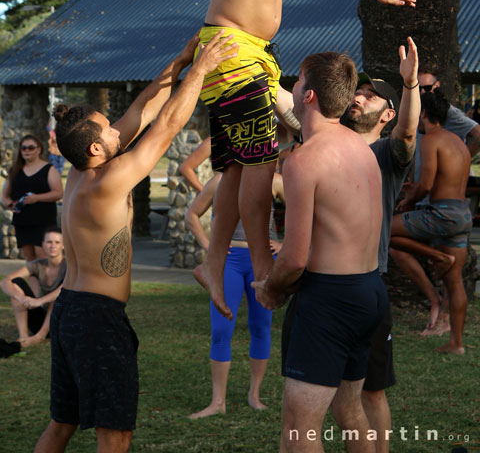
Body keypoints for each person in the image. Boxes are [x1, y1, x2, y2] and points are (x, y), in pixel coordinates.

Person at [194, 0, 416, 320]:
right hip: (230, 50)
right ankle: (266, 263)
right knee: (258, 160)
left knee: (231, 169)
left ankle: (213, 260)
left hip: (257, 54)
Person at [32, 31, 238, 453]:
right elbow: (165, 127)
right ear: (95, 146)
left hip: (71, 310)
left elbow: (141, 112)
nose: (117, 132)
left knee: (62, 424)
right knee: (115, 433)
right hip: (96, 318)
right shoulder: (106, 183)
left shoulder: (80, 170)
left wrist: (179, 61)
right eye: (109, 132)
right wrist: (201, 70)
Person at [254, 51, 387, 453]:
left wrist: (272, 289)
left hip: (331, 300)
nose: (291, 89)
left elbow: (294, 258)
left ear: (308, 95)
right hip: (370, 291)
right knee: (350, 412)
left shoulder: (304, 160)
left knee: (298, 430)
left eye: (296, 83)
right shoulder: (361, 148)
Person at [340, 37, 420, 453]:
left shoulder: (389, 153)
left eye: (370, 97)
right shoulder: (329, 144)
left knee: (370, 392)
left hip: (368, 284)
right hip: (321, 287)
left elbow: (408, 132)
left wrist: (410, 86)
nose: (359, 97)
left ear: (386, 114)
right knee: (325, 395)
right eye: (358, 91)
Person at [186, 172, 281, 418]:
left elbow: (306, 212)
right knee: (221, 329)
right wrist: (210, 246)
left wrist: (286, 243)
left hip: (261, 261)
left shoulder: (273, 180)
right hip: (229, 263)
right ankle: (218, 402)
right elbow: (192, 214)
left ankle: (255, 395)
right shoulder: (219, 181)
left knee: (261, 327)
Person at [391, 91, 471, 355]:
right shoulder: (458, 142)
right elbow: (443, 182)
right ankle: (456, 344)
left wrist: (408, 202)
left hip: (442, 214)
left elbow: (425, 185)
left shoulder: (430, 139)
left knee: (384, 230)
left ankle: (438, 256)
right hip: (461, 213)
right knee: (455, 281)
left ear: (423, 114)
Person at [0, 226, 66, 348]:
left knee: (61, 295)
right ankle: (23, 336)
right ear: (43, 244)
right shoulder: (38, 265)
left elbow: (63, 289)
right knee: (16, 283)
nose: (52, 246)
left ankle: (39, 336)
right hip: (40, 319)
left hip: (61, 323)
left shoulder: (69, 266)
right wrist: (20, 298)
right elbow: (4, 282)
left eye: (57, 242)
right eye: (49, 242)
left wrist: (38, 301)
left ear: (63, 245)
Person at [1, 134, 63, 262]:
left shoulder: (49, 169)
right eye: (23, 148)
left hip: (43, 220)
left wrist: (37, 198)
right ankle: (34, 282)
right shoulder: (15, 170)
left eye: (30, 147)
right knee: (29, 258)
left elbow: (58, 193)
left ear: (38, 149)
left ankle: (46, 282)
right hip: (22, 221)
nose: (27, 151)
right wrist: (11, 204)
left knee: (43, 257)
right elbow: (4, 196)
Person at [417, 69, 480, 156]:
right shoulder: (414, 108)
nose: (422, 92)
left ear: (437, 85)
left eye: (427, 88)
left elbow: (478, 134)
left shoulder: (446, 110)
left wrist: (461, 161)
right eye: (418, 88)